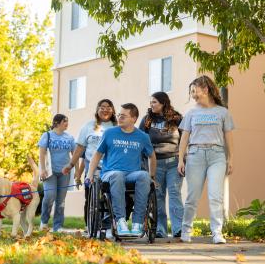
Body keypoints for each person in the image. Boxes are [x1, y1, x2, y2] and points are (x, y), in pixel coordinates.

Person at [177, 75, 235, 244]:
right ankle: (186, 230)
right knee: (192, 197)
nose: (193, 95)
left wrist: (231, 159)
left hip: (217, 156)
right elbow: (184, 138)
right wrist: (181, 159)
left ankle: (217, 233)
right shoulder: (191, 113)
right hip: (195, 155)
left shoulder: (222, 112)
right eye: (192, 92)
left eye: (195, 91)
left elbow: (229, 137)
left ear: (206, 90)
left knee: (216, 196)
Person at [86, 103, 156, 236]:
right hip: (110, 173)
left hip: (132, 174)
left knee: (144, 176)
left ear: (134, 118)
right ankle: (120, 221)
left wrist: (152, 176)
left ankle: (138, 223)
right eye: (119, 115)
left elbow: (152, 156)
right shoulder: (109, 133)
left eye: (123, 116)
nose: (119, 118)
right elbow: (97, 155)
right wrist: (89, 175)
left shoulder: (142, 136)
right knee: (117, 175)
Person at [63, 99, 117, 226]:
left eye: (108, 107)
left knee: (110, 196)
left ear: (113, 110)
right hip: (92, 167)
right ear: (97, 110)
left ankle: (109, 225)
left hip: (112, 167)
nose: (105, 109)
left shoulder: (117, 127)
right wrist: (71, 164)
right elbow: (80, 148)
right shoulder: (88, 126)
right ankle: (90, 225)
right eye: (102, 107)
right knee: (90, 197)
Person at [139, 92, 183, 238]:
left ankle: (178, 229)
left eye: (155, 102)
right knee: (158, 195)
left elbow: (185, 139)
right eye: (151, 102)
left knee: (175, 194)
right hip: (154, 163)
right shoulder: (147, 120)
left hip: (173, 162)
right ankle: (160, 229)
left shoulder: (176, 118)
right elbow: (139, 139)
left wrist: (183, 160)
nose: (152, 105)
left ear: (163, 103)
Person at [38, 114, 76, 232]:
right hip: (50, 172)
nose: (67, 124)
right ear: (57, 123)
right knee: (50, 196)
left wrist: (76, 171)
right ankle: (44, 222)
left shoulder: (69, 138)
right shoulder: (47, 135)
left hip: (64, 173)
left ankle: (58, 226)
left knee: (61, 201)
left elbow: (75, 155)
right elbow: (42, 153)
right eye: (65, 121)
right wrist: (42, 169)